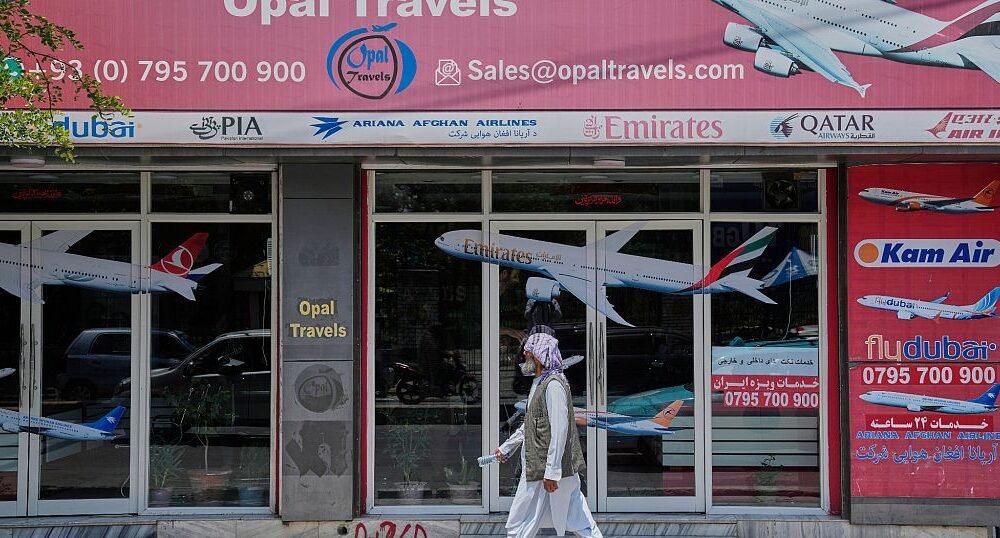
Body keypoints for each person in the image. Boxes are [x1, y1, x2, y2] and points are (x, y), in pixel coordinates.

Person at [495, 333, 602, 538]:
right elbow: (531, 423)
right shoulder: (540, 382)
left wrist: (552, 472)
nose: (524, 355)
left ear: (538, 355)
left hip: (546, 469)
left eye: (527, 351)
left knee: (520, 521)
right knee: (578, 520)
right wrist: (506, 448)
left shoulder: (554, 385)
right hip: (543, 468)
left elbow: (560, 429)